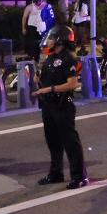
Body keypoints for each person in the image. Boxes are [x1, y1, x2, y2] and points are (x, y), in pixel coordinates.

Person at [34, 25, 88, 189]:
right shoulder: (49, 58)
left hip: (62, 104)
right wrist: (39, 81)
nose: (48, 41)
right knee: (53, 141)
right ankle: (56, 173)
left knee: (70, 142)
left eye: (51, 38)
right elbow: (47, 80)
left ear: (60, 40)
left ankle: (79, 176)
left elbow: (72, 84)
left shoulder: (68, 58)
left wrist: (50, 89)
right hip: (48, 105)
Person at [22, 0, 55, 64]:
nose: (38, 3)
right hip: (32, 27)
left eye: (39, 1)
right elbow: (24, 18)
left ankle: (40, 58)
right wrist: (23, 28)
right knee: (33, 43)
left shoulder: (45, 6)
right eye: (36, 1)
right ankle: (33, 58)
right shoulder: (29, 7)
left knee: (41, 43)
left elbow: (50, 15)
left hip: (42, 28)